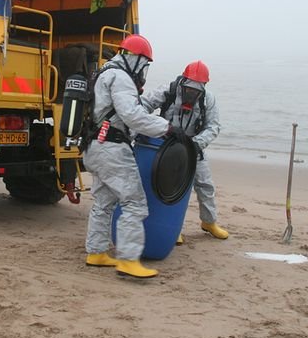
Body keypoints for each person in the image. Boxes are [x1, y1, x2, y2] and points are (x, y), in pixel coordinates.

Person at [82, 34, 178, 279]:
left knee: (103, 202)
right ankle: (128, 260)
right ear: (136, 58)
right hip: (113, 149)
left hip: (94, 146)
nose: (144, 70)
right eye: (145, 64)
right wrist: (165, 128)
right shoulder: (122, 77)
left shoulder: (102, 73)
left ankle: (96, 252)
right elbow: (132, 115)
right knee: (134, 203)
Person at [142, 60, 229, 243]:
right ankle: (172, 227)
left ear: (203, 88)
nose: (191, 94)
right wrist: (154, 129)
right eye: (189, 89)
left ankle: (209, 222)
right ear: (183, 81)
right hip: (167, 147)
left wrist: (197, 144)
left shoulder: (208, 100)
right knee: (168, 187)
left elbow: (214, 127)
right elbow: (142, 106)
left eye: (196, 91)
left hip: (193, 147)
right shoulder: (167, 91)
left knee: (205, 185)